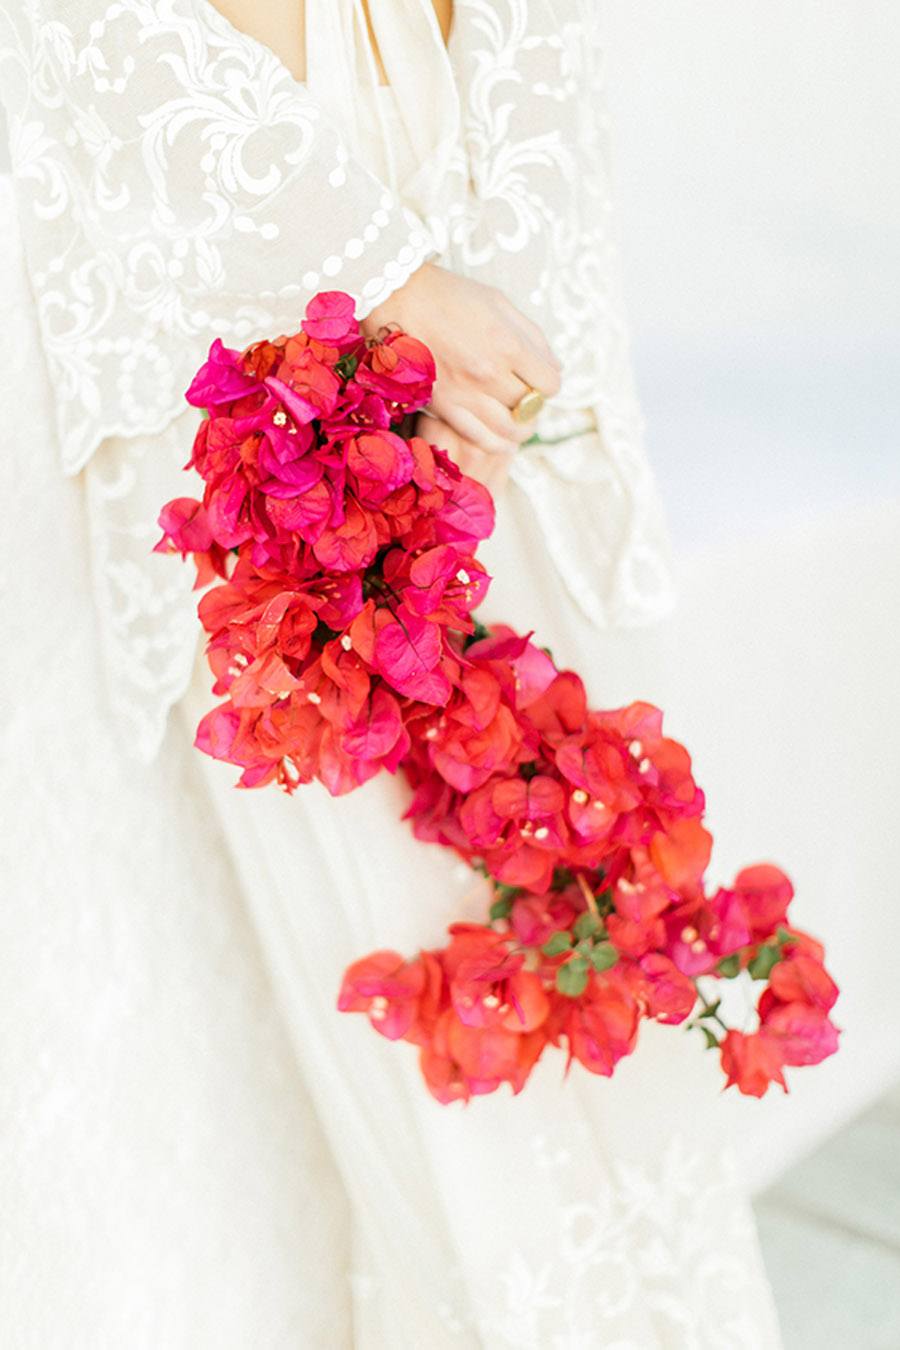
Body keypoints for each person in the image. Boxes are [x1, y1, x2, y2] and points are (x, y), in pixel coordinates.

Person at [0, 1, 783, 1344]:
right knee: (451, 1082)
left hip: (492, 416)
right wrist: (391, 283)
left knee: (590, 990)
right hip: (300, 468)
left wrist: (480, 318)